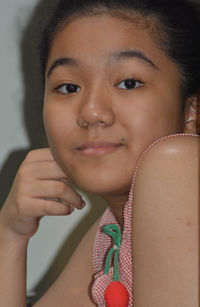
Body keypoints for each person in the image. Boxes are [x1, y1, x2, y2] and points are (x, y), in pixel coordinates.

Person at [0, 0, 199, 306]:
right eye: (68, 87)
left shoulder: (178, 163)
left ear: (191, 108)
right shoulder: (112, 235)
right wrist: (9, 235)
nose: (92, 112)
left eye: (129, 83)